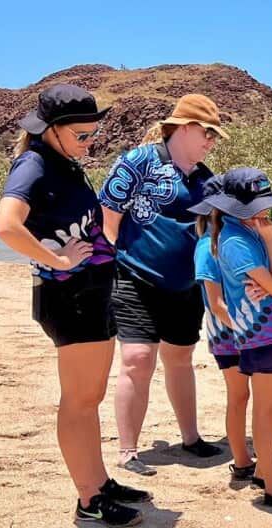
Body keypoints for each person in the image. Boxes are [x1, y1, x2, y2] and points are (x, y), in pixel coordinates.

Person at [0, 83, 149, 527]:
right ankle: (88, 499)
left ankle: (99, 481)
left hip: (90, 295)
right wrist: (57, 259)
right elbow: (5, 225)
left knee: (90, 397)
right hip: (69, 299)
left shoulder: (62, 163)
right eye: (81, 135)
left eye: (92, 134)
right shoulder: (34, 164)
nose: (89, 142)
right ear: (51, 130)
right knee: (79, 401)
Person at [98, 94, 227, 477]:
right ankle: (128, 450)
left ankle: (191, 439)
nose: (211, 141)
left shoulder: (207, 181)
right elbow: (108, 217)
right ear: (184, 127)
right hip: (133, 277)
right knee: (137, 359)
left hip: (186, 287)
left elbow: (213, 236)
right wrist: (107, 267)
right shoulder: (137, 162)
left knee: (181, 359)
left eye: (214, 136)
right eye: (207, 133)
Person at [189, 167, 272, 510]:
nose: (265, 212)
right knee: (257, 404)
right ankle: (268, 481)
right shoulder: (229, 242)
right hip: (254, 333)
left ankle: (263, 466)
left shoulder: (247, 234)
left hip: (266, 330)